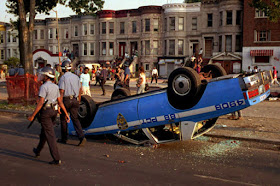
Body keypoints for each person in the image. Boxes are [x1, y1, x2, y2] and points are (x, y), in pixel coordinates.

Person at [28, 66, 70, 165]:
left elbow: (40, 103)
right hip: (53, 112)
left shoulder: (43, 87)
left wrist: (33, 115)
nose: (41, 76)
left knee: (50, 135)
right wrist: (65, 113)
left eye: (43, 75)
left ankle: (56, 158)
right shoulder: (55, 86)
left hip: (46, 112)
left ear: (47, 76)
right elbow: (60, 102)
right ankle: (37, 150)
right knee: (44, 133)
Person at [57, 60, 87, 146]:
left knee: (63, 119)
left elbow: (61, 91)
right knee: (75, 119)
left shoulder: (63, 78)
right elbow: (80, 91)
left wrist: (59, 104)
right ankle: (81, 137)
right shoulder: (76, 77)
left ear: (63, 68)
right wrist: (79, 101)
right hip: (75, 100)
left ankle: (64, 138)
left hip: (66, 100)